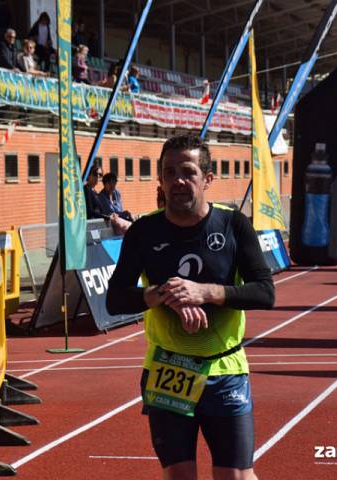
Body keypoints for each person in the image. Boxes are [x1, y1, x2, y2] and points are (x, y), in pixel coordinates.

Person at [106, 134, 274, 480]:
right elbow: (115, 299)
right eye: (169, 173)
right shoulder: (144, 231)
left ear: (208, 179)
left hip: (224, 370)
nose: (178, 181)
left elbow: (264, 292)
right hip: (168, 370)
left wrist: (205, 292)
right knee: (179, 476)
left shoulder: (233, 225)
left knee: (236, 476)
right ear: (160, 179)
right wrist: (162, 294)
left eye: (188, 172)